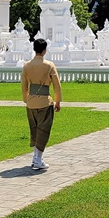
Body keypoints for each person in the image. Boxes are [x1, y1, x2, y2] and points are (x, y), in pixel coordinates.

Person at [21, 38, 62, 170]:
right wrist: (58, 101)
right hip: (45, 101)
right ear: (44, 51)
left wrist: (26, 99)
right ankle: (38, 159)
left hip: (31, 102)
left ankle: (36, 157)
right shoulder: (49, 65)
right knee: (43, 130)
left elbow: (24, 86)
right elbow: (56, 85)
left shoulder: (27, 65)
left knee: (34, 129)